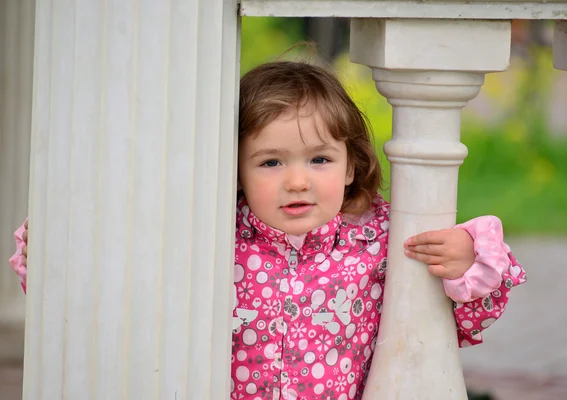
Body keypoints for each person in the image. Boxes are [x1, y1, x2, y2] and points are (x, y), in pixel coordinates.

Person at [9, 61, 526, 400]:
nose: (297, 181)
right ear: (235, 169)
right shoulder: (211, 236)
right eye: (271, 162)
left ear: (350, 166)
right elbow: (123, 291)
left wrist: (468, 259)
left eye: (320, 158)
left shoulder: (379, 236)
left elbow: (452, 320)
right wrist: (61, 255)